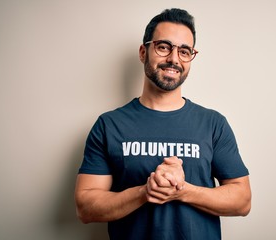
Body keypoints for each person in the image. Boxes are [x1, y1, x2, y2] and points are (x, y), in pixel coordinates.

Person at [75, 8, 251, 240]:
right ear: (143, 52)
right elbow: (85, 207)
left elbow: (242, 201)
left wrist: (182, 191)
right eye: (163, 47)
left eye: (184, 51)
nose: (174, 59)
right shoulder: (109, 125)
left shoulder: (213, 124)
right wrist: (145, 192)